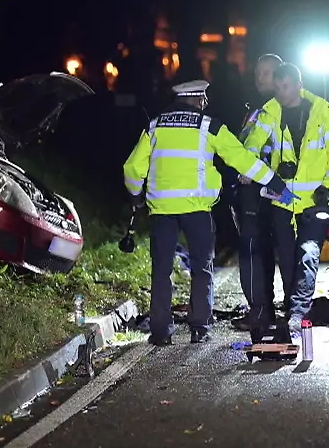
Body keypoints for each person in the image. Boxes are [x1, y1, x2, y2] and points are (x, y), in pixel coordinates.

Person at [123, 79, 296, 346]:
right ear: (196, 99)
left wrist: (136, 197)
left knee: (161, 271)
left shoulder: (154, 125)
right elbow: (242, 159)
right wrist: (274, 182)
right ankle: (199, 328)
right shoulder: (208, 126)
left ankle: (160, 332)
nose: (205, 104)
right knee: (202, 269)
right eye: (203, 100)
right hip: (198, 211)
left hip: (162, 212)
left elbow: (133, 168)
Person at [243, 62, 329, 342]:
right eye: (277, 87)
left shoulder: (322, 111)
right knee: (288, 259)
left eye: (285, 87)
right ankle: (294, 309)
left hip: (314, 200)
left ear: (298, 85)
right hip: (282, 200)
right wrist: (259, 171)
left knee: (308, 254)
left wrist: (328, 186)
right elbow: (251, 146)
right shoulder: (270, 111)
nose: (280, 92)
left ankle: (299, 312)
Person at [232, 53, 283, 339]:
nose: (259, 77)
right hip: (257, 188)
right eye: (258, 72)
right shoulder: (257, 109)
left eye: (266, 73)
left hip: (261, 188)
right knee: (259, 250)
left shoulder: (277, 109)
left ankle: (261, 311)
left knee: (254, 250)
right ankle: (264, 308)